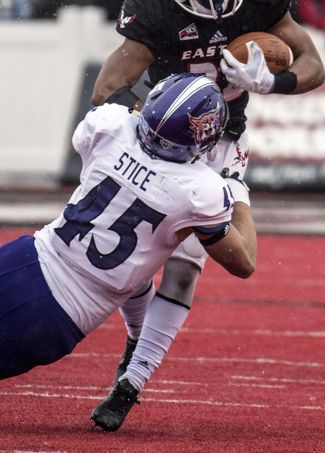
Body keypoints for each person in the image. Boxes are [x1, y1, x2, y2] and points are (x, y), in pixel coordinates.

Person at [91, 0, 325, 428]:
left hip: (221, 146)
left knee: (186, 266)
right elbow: (107, 88)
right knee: (130, 269)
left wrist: (272, 84)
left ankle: (130, 384)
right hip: (158, 145)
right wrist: (145, 116)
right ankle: (136, 337)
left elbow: (313, 64)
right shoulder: (152, 11)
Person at [0, 73, 256, 403]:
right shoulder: (199, 191)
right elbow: (244, 262)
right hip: (64, 312)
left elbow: (90, 150)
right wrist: (237, 189)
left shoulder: (112, 125)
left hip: (28, 258)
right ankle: (135, 363)